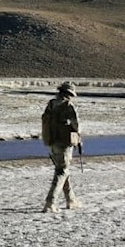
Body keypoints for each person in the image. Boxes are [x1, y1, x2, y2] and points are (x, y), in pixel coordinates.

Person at [40, 80, 82, 212]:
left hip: (51, 141)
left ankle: (71, 200)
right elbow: (77, 125)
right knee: (62, 171)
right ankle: (50, 202)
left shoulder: (51, 104)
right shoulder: (68, 106)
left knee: (63, 171)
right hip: (64, 143)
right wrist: (78, 138)